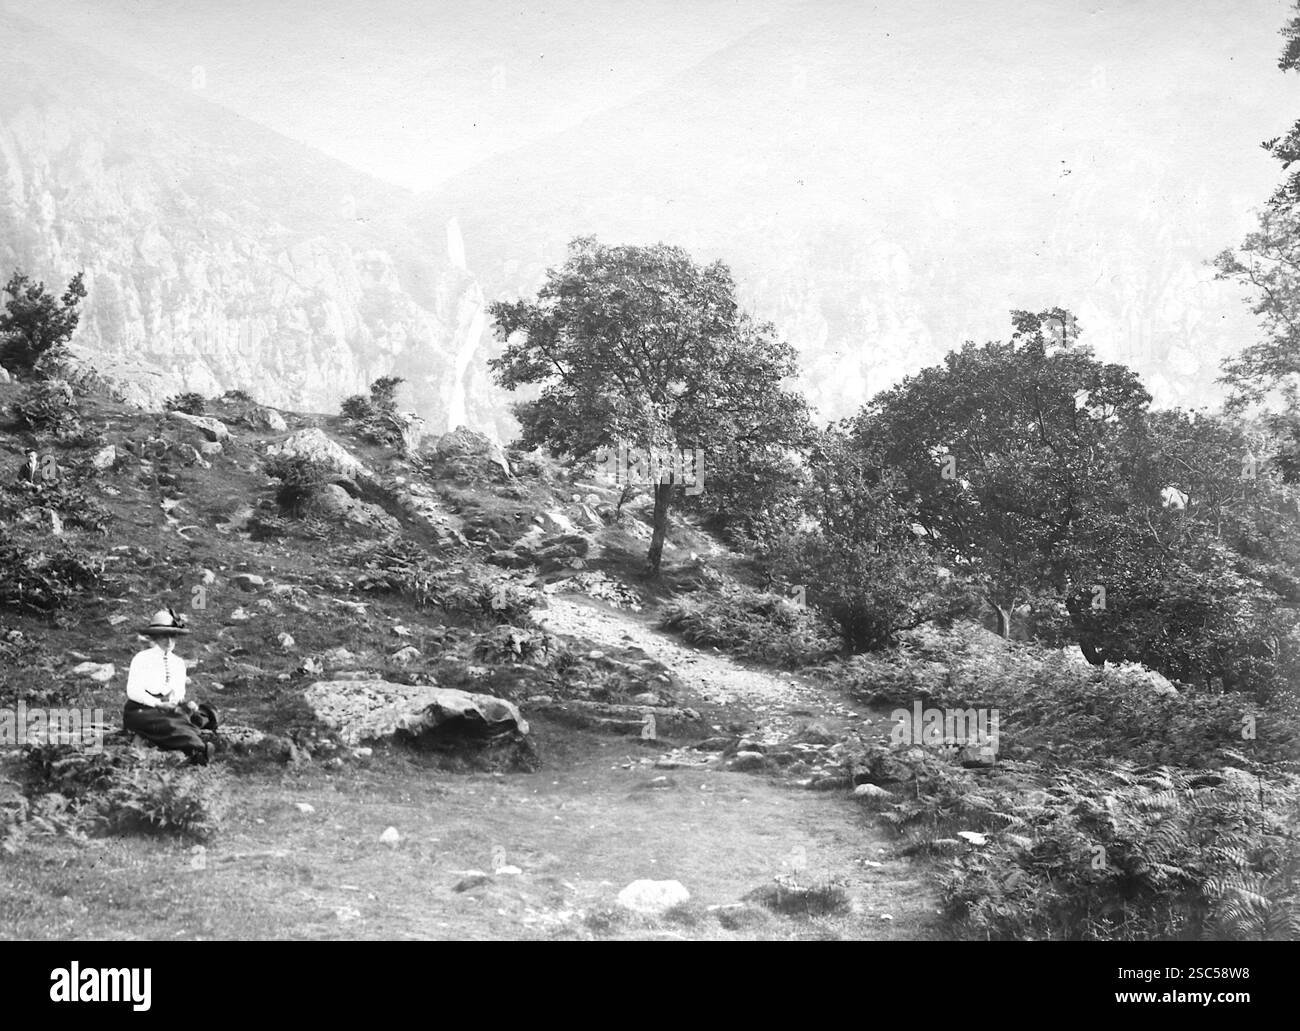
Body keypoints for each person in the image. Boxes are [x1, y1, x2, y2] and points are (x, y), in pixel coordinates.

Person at [123, 608, 218, 764]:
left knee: (198, 712)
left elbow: (178, 691)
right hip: (140, 709)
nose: (168, 641)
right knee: (168, 723)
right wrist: (158, 704)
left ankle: (192, 735)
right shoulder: (141, 659)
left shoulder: (178, 663)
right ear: (155, 637)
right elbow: (133, 691)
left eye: (172, 636)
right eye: (163, 636)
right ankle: (197, 749)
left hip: (167, 707)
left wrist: (181, 703)